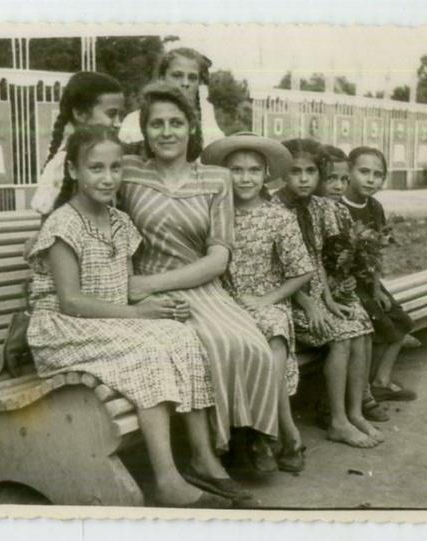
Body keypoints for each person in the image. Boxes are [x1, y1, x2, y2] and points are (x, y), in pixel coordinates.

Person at [25, 125, 252, 508]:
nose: (108, 178)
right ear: (74, 171)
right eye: (96, 168)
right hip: (64, 329)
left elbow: (126, 286)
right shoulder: (63, 225)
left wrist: (160, 309)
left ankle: (202, 458)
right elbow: (71, 302)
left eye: (115, 168)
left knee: (182, 335)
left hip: (107, 321)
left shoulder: (120, 222)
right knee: (149, 354)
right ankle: (167, 480)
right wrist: (137, 314)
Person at [120, 82, 281, 474]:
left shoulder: (216, 178)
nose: (167, 132)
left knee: (251, 345)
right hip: (149, 294)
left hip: (200, 284)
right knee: (210, 343)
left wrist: (149, 286)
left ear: (191, 128)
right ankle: (216, 447)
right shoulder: (128, 172)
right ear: (144, 130)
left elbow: (219, 258)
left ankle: (248, 436)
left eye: (176, 123)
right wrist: (140, 288)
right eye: (157, 124)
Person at [202, 132, 314, 473]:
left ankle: (265, 433)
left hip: (268, 301)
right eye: (236, 170)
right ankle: (283, 433)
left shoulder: (277, 217)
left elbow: (302, 271)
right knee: (234, 343)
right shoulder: (214, 214)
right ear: (224, 173)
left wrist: (266, 299)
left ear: (266, 173)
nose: (245, 178)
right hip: (223, 303)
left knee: (274, 338)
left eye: (253, 170)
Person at [273, 138, 383, 449]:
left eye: (311, 172)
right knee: (341, 335)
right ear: (282, 173)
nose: (304, 179)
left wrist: (329, 299)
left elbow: (316, 258)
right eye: (296, 172)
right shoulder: (274, 209)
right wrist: (310, 304)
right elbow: (276, 271)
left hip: (316, 294)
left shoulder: (317, 207)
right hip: (287, 298)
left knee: (360, 323)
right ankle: (337, 421)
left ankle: (354, 412)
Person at [317, 145, 390, 424]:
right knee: (353, 327)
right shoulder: (314, 210)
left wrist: (344, 278)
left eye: (343, 180)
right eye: (331, 179)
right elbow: (312, 260)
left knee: (363, 325)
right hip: (314, 293)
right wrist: (332, 290)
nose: (338, 186)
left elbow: (348, 257)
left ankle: (358, 403)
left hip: (337, 287)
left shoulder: (339, 211)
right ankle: (337, 406)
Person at [341, 146, 417, 403]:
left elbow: (376, 253)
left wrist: (377, 289)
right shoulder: (336, 206)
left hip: (368, 281)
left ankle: (381, 381)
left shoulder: (375, 207)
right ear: (349, 171)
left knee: (402, 322)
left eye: (378, 174)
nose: (370, 179)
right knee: (378, 326)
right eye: (364, 172)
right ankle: (360, 389)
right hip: (344, 283)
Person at [30, 71, 125, 216]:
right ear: (80, 114)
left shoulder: (114, 154)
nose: (118, 123)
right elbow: (47, 214)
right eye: (111, 114)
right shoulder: (62, 163)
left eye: (120, 115)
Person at [118, 47, 224, 150]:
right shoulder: (134, 121)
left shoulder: (206, 118)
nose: (185, 83)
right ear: (162, 78)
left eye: (192, 78)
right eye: (177, 75)